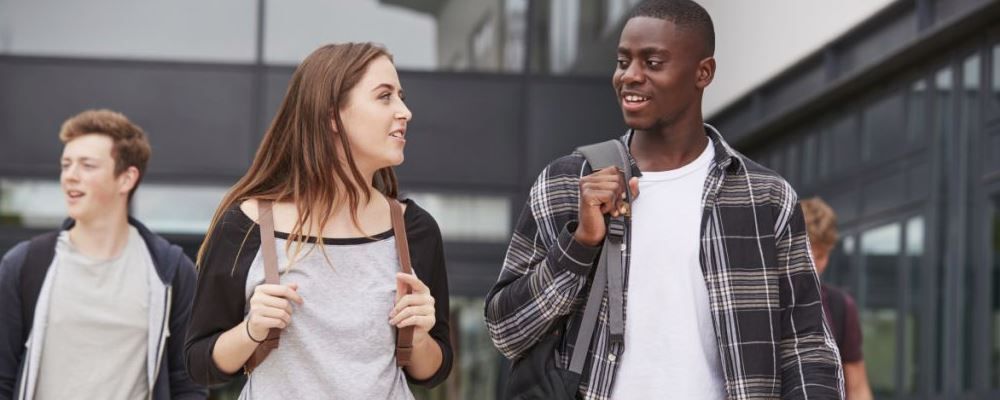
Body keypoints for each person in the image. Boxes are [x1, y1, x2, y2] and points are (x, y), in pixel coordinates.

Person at [485, 0, 844, 398]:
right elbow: (506, 332)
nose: (630, 76)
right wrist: (580, 244)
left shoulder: (765, 198)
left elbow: (806, 344)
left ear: (702, 72)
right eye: (623, 62)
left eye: (652, 63)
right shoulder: (568, 183)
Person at [184, 42, 453, 399]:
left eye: (400, 96)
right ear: (331, 117)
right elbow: (198, 363)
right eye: (384, 96)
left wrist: (419, 335)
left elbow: (434, 369)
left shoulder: (414, 230)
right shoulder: (245, 226)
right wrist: (251, 330)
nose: (405, 112)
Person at [0, 109, 206, 400]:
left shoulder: (170, 272)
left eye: (87, 165)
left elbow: (187, 383)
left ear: (126, 179)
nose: (70, 176)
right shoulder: (25, 264)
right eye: (66, 164)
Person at [801, 197, 873, 400]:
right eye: (807, 255)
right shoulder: (764, 300)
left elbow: (858, 388)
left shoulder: (840, 305)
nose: (814, 266)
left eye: (821, 256)